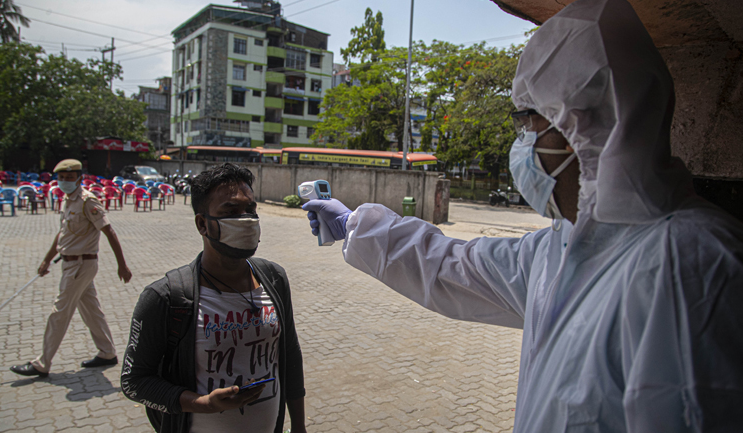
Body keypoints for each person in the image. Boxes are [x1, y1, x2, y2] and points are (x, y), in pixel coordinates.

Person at [302, 0, 743, 431]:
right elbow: (452, 267)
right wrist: (356, 225)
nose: (523, 142)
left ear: (576, 128)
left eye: (529, 122)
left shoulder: (691, 263)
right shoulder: (563, 246)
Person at [121, 163, 307, 433]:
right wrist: (200, 403)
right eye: (231, 212)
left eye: (250, 210)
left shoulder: (274, 278)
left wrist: (299, 427)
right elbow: (134, 382)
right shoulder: (165, 297)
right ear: (202, 224)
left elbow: (289, 354)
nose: (246, 220)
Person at [10, 159, 132, 377]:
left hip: (80, 265)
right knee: (91, 311)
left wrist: (122, 266)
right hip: (71, 264)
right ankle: (107, 353)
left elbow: (109, 231)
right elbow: (63, 234)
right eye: (62, 178)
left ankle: (42, 363)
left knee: (59, 312)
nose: (65, 181)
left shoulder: (88, 201)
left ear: (79, 178)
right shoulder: (68, 200)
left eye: (69, 177)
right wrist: (47, 260)